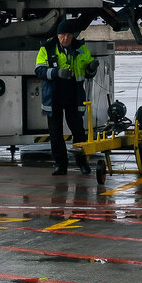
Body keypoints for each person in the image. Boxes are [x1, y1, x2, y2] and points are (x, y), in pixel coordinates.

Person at [35, 19, 99, 175]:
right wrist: (56, 73)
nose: (65, 39)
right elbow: (39, 70)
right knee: (55, 133)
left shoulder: (81, 49)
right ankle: (60, 165)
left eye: (68, 35)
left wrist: (92, 68)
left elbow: (88, 72)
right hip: (54, 96)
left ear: (73, 36)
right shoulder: (46, 48)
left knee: (78, 132)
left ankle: (82, 163)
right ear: (57, 35)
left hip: (73, 96)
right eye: (62, 35)